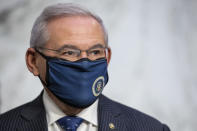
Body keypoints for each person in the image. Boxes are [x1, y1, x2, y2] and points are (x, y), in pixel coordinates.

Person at [0, 3, 170, 131]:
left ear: (107, 57)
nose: (85, 63)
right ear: (33, 61)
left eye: (95, 52)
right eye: (69, 52)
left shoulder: (150, 128)